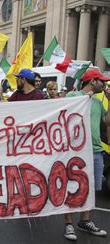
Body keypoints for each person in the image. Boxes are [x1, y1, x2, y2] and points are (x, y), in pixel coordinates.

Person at [63, 69, 109, 241]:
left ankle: (85, 221)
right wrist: (83, 99)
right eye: (101, 81)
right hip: (75, 151)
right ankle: (68, 224)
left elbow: (107, 122)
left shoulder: (98, 103)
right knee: (72, 187)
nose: (104, 85)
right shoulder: (72, 96)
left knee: (90, 190)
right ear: (92, 81)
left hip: (96, 151)